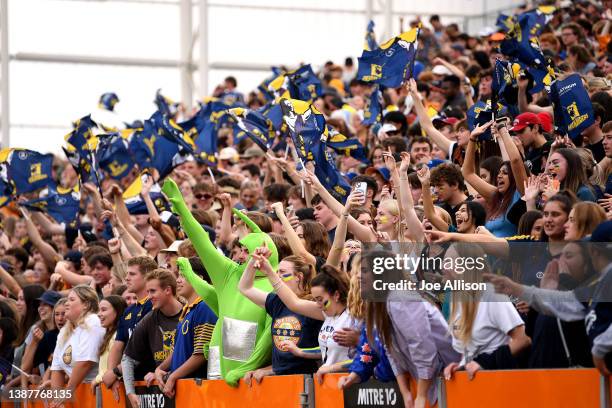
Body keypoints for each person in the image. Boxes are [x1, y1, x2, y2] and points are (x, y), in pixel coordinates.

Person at [163, 178, 276, 386]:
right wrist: (182, 210)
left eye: (246, 250)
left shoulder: (276, 285)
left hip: (253, 382)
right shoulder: (230, 273)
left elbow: (269, 337)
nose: (240, 256)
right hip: (217, 373)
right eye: (239, 249)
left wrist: (247, 368)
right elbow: (201, 242)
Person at [239, 252, 323, 383]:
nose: (278, 276)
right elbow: (245, 288)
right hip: (279, 380)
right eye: (277, 272)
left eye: (283, 272)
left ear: (298, 277)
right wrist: (254, 261)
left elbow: (322, 351)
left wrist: (269, 272)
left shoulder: (314, 305)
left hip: (306, 380)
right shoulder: (277, 301)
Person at [154, 258, 217, 398]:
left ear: (199, 278)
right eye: (178, 275)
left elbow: (201, 354)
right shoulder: (187, 311)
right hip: (183, 389)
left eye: (183, 275)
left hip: (197, 390)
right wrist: (160, 368)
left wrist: (172, 377)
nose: (178, 280)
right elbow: (177, 351)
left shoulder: (205, 307)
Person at [122, 269, 183, 408]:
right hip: (164, 395)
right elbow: (128, 359)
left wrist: (163, 372)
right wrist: (130, 393)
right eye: (148, 291)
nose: (149, 296)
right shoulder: (150, 318)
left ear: (168, 290)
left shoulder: (189, 314)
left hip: (189, 392)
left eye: (153, 291)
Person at [104, 256, 158, 390]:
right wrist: (112, 374)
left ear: (147, 277)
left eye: (132, 274)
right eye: (127, 274)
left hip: (152, 380)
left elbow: (144, 350)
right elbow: (117, 346)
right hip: (131, 380)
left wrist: (116, 372)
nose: (127, 278)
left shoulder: (154, 306)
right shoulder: (128, 311)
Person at [50, 285, 105, 400]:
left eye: (72, 299)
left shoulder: (93, 321)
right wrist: (57, 399)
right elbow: (57, 369)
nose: (66, 303)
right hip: (77, 395)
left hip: (98, 392)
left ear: (86, 304)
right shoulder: (65, 330)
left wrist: (66, 393)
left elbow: (85, 362)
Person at [94, 295, 126, 390]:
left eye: (103, 310)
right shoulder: (109, 335)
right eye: (99, 310)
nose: (99, 314)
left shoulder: (117, 336)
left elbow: (114, 369)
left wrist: (97, 379)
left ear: (118, 311)